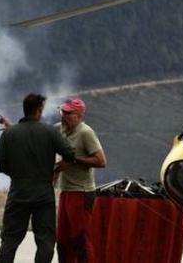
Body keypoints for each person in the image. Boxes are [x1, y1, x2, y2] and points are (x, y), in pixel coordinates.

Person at [0, 93, 76, 263]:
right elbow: (70, 155)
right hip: (43, 194)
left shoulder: (10, 134)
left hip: (18, 193)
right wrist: (55, 170)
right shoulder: (50, 132)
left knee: (9, 241)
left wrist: (16, 174)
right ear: (39, 110)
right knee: (45, 242)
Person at [55, 97, 106, 263]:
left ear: (79, 116)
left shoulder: (86, 133)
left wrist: (73, 159)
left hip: (81, 192)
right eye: (63, 111)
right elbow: (39, 135)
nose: (64, 115)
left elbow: (101, 161)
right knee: (62, 240)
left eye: (69, 113)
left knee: (79, 239)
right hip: (66, 191)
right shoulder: (60, 129)